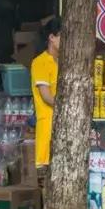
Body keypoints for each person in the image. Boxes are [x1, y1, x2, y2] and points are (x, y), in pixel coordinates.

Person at [30, 17, 61, 190]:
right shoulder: (40, 62)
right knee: (50, 179)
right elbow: (46, 96)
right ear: (52, 37)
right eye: (63, 36)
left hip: (62, 125)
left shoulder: (63, 62)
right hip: (48, 126)